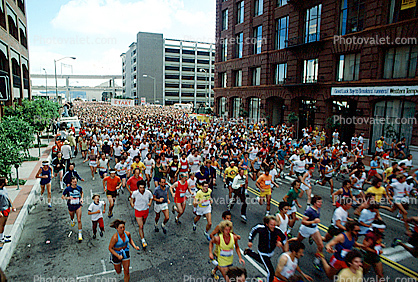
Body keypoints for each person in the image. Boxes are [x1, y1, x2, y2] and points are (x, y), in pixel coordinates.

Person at [245, 215, 286, 282]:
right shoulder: (261, 228)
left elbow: (284, 238)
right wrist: (250, 241)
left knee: (263, 261)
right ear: (266, 224)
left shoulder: (277, 230)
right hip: (263, 252)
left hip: (270, 252)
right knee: (271, 271)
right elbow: (253, 231)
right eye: (271, 225)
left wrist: (280, 242)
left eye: (274, 225)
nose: (273, 227)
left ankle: (249, 252)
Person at [290, 195, 324, 268]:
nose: (320, 203)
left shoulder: (318, 209)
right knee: (298, 241)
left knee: (321, 245)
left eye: (321, 202)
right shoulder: (309, 211)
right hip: (306, 229)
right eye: (319, 202)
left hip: (314, 229)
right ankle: (287, 243)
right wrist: (313, 221)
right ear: (314, 203)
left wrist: (314, 223)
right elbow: (303, 222)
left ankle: (317, 260)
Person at [130, 180, 153, 249]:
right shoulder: (135, 193)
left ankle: (141, 233)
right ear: (138, 187)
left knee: (143, 223)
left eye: (143, 187)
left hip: (145, 210)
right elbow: (131, 198)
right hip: (138, 210)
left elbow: (151, 198)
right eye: (140, 188)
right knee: (141, 226)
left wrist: (150, 203)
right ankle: (143, 240)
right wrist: (132, 204)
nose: (142, 189)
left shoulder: (148, 192)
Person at [62, 177, 84, 242]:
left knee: (79, 220)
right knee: (72, 216)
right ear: (71, 182)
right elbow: (62, 197)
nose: (75, 183)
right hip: (71, 205)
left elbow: (82, 193)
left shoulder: (79, 188)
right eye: (73, 182)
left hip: (78, 205)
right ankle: (72, 220)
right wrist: (68, 197)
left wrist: (81, 198)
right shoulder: (68, 189)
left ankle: (80, 234)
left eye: (76, 182)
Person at [0, 178, 15, 245]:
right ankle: (1, 238)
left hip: (7, 208)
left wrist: (12, 205)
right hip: (2, 209)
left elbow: (7, 197)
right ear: (2, 182)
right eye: (6, 181)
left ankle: (3, 235)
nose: (7, 181)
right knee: (1, 224)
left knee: (4, 224)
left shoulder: (4, 189)